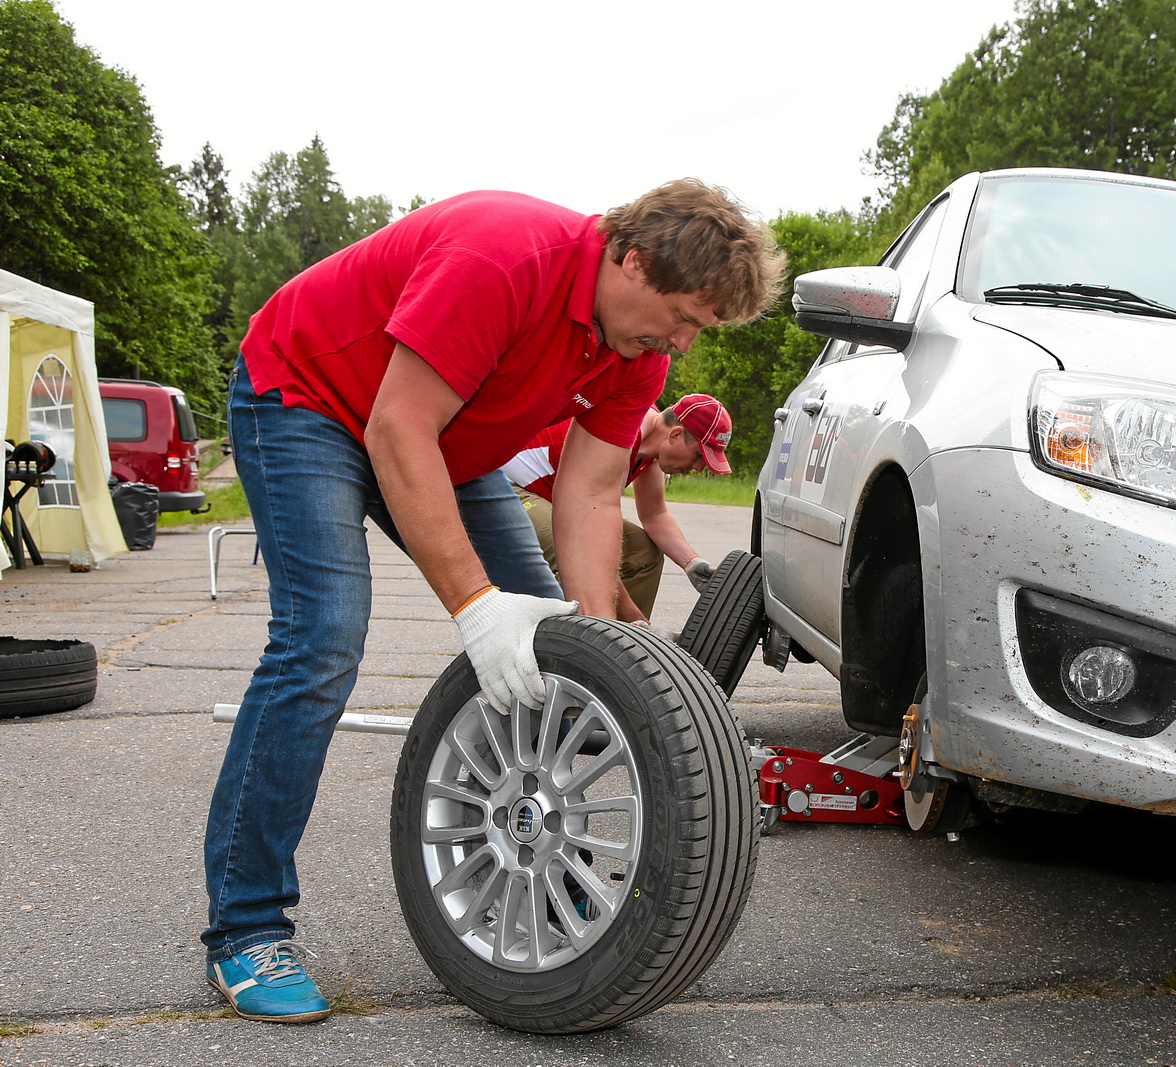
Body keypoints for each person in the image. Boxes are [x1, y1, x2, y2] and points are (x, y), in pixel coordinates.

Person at [204, 180, 784, 1024]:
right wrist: (475, 603)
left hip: (452, 440)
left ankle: (514, 865)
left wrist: (597, 654)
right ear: (632, 259)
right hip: (307, 399)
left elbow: (588, 497)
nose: (685, 343)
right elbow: (396, 425)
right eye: (686, 316)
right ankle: (245, 926)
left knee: (546, 644)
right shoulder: (506, 256)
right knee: (323, 634)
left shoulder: (636, 352)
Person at [501, 393, 732, 622]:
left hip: (557, 499)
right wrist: (638, 624)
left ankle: (617, 646)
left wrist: (691, 563)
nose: (700, 468)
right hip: (509, 487)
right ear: (676, 434)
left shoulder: (650, 447)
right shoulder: (624, 435)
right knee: (567, 548)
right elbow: (590, 540)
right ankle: (580, 643)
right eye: (698, 455)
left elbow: (655, 515)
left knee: (643, 550)